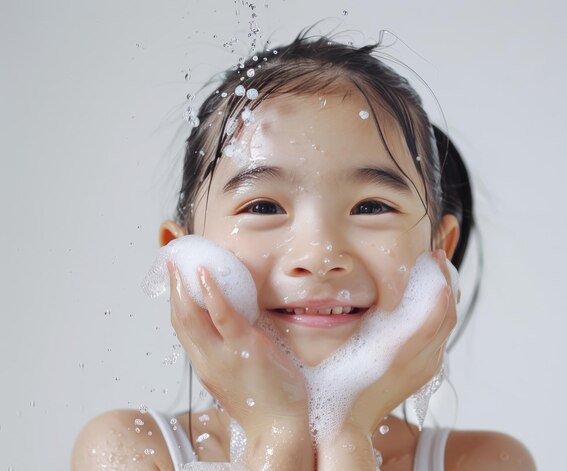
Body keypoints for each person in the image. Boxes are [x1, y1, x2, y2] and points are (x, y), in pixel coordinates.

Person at [72, 30, 536, 470]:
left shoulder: (482, 462)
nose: (319, 256)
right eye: (264, 205)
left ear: (441, 251)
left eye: (371, 206)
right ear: (181, 257)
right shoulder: (131, 451)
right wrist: (276, 432)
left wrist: (347, 433)